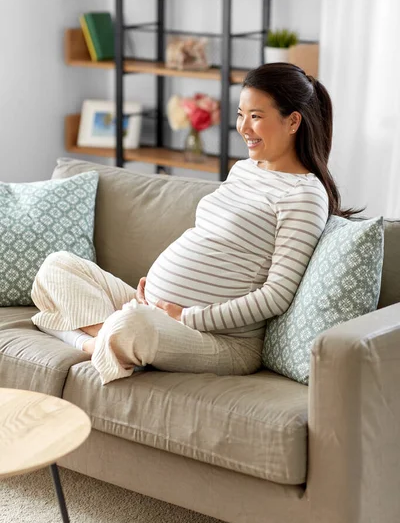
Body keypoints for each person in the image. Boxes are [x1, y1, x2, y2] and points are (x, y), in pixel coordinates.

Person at [31, 63, 363, 385]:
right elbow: (210, 241)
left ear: (293, 122)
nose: (243, 128)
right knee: (55, 266)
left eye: (256, 117)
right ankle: (107, 340)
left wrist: (183, 317)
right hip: (156, 311)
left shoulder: (304, 196)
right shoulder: (244, 169)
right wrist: (160, 294)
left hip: (222, 341)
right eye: (240, 114)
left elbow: (276, 296)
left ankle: (89, 339)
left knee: (133, 326)